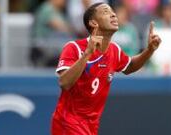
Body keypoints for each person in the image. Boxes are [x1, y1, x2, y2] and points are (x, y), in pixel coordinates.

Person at [51, 2, 161, 135]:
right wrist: (87, 55)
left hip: (91, 124)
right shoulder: (74, 47)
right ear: (93, 23)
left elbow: (130, 66)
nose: (113, 15)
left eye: (113, 12)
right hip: (68, 122)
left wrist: (149, 50)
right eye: (106, 12)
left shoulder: (114, 50)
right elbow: (64, 83)